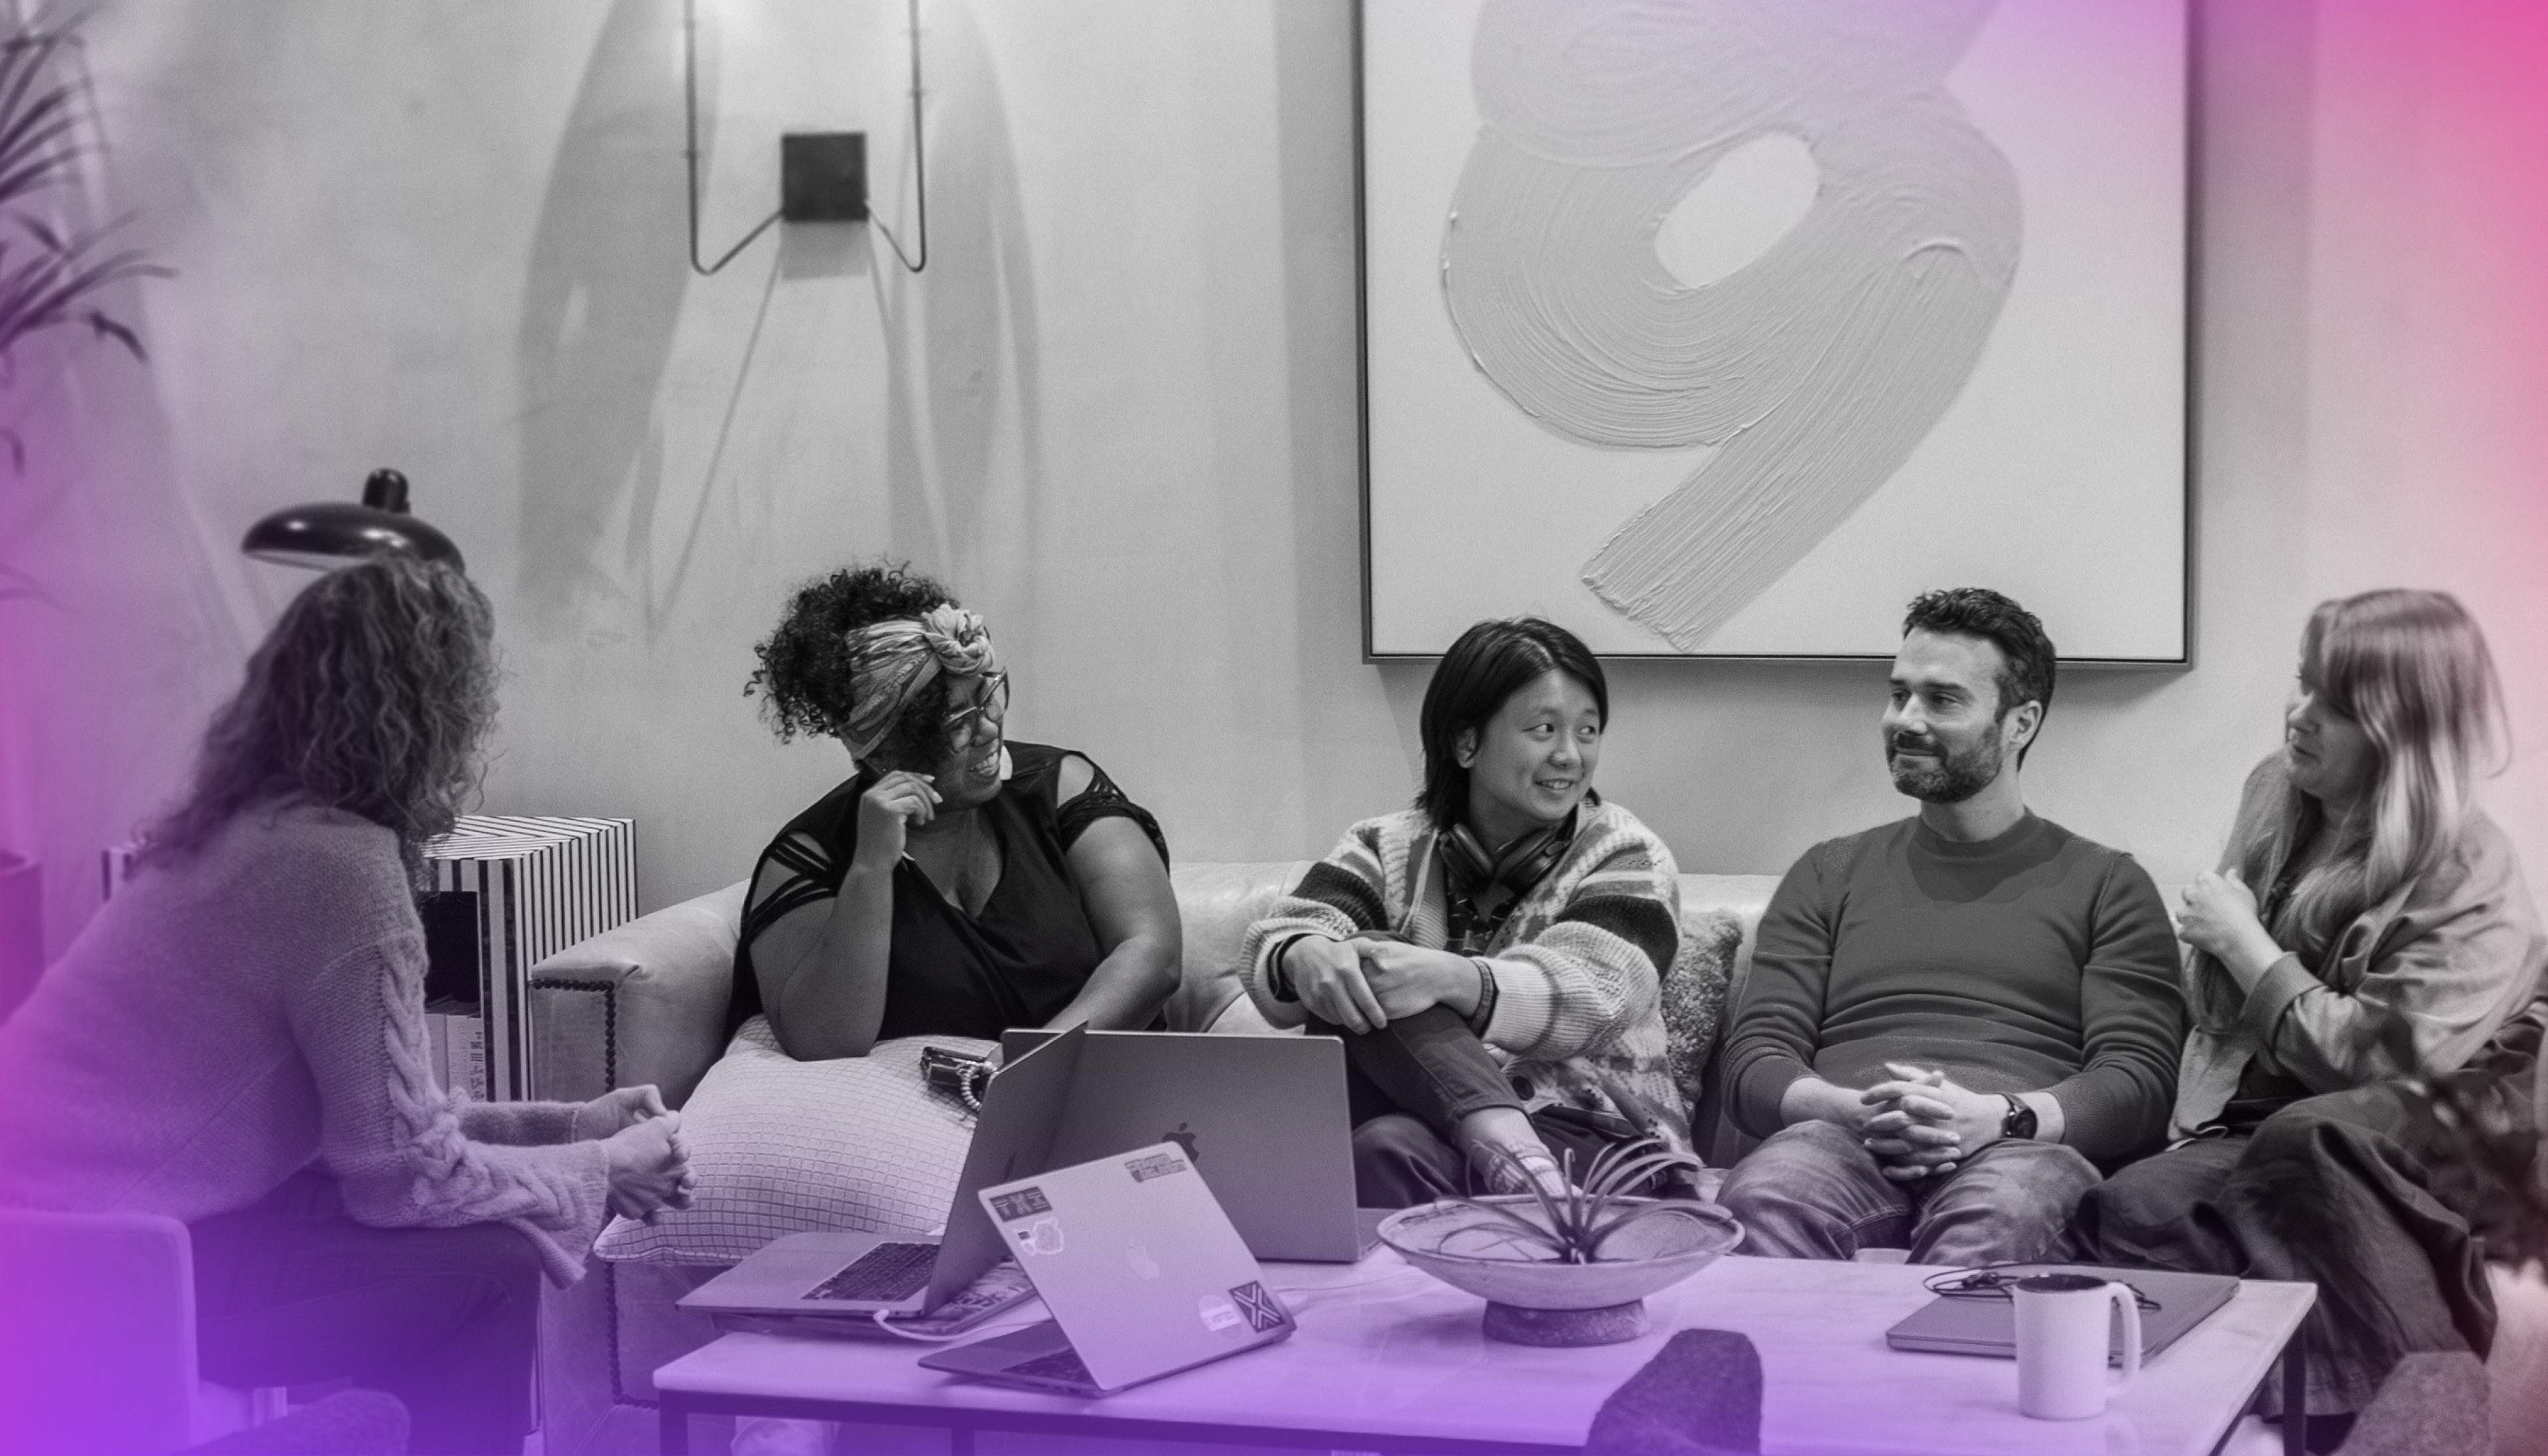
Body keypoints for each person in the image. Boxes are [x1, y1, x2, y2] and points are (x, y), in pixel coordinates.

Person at [0, 557, 692, 1456]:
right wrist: (601, 1166)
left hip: (59, 1245)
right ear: (435, 710)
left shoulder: (239, 831)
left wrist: (570, 1128)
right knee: (492, 1266)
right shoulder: (341, 870)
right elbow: (407, 1177)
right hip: (102, 1273)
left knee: (458, 1248)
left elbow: (377, 1139)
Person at [2068, 589, 2545, 1440]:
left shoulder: (2472, 864)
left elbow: (2380, 1066)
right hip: (2281, 1110)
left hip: (2446, 1119)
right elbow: (2218, 1006)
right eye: (2304, 681)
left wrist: (2247, 943)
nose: (2299, 715)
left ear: (2405, 731)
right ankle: (2244, 1418)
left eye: (2339, 705)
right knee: (2132, 1203)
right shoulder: (2275, 790)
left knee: (2307, 1139)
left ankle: (2423, 1416)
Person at [1713, 588, 2184, 1265]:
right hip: (1841, 1138)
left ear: (2019, 723)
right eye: (1898, 693)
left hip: (2019, 1149)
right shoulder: (1828, 870)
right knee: (1764, 1196)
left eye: (1942, 699)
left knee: (2001, 1216)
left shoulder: (2108, 883)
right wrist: (1854, 1110)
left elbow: (2138, 1081)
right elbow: (1755, 1056)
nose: (1906, 719)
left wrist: (2001, 1115)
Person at [1238, 616, 1695, 1207]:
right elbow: (1287, 934)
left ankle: (1529, 1171)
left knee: (1379, 970)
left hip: (1601, 1134)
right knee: (1382, 1140)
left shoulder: (1625, 853)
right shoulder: (1386, 843)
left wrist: (1448, 978)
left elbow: (1597, 999)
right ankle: (1530, 1180)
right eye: (1544, 729)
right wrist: (1304, 954)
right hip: (1430, 1123)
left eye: (1587, 731)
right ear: (1466, 742)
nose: (1569, 755)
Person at [733, 562, 1180, 1058]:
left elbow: (1153, 957)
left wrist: (1017, 1068)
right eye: (956, 722)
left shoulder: (1059, 787)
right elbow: (825, 1041)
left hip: (1103, 1084)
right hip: (918, 1107)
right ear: (881, 749)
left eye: (987, 696)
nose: (989, 729)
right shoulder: (813, 855)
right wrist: (870, 870)